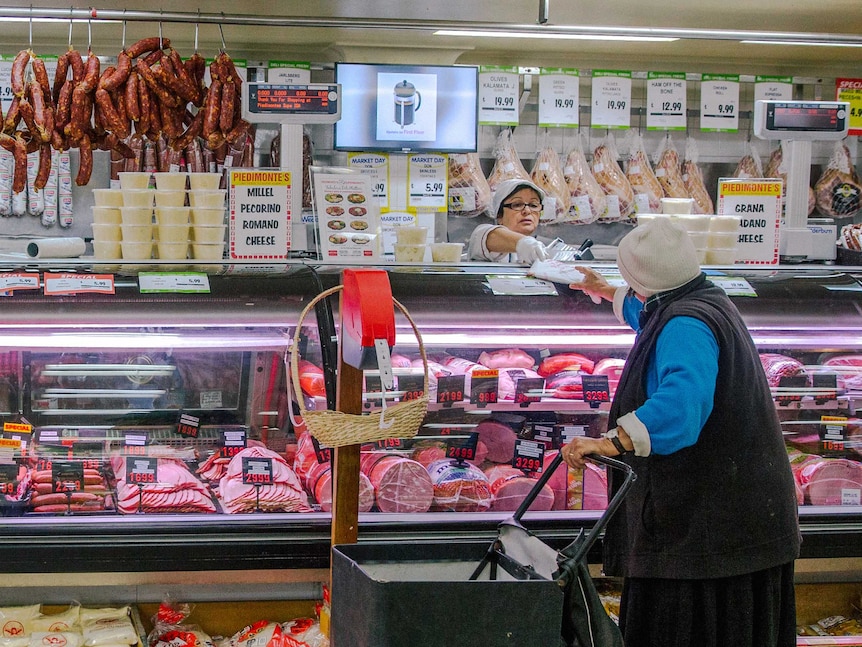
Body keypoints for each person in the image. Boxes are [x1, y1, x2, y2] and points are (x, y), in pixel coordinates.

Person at [562, 217, 800, 647]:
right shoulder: (699, 296)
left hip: (711, 533)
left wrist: (607, 442)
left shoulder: (687, 324)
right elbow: (651, 314)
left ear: (645, 281)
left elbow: (678, 407)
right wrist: (606, 289)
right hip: (737, 520)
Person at [467, 178, 550, 264]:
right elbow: (487, 236)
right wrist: (524, 243)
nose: (527, 211)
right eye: (517, 205)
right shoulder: (483, 235)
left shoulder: (538, 248)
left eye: (533, 205)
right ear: (500, 216)